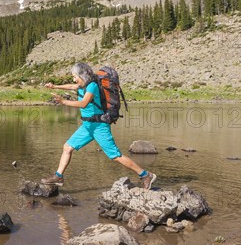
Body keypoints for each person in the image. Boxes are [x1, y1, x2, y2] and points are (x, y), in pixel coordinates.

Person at [41, 62, 157, 190]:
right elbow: (71, 86)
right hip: (87, 126)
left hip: (99, 126)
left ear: (82, 75)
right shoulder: (82, 85)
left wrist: (63, 101)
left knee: (115, 156)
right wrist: (54, 86)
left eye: (75, 76)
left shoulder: (92, 86)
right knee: (67, 147)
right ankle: (58, 176)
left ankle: (146, 175)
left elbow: (84, 103)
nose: (74, 79)